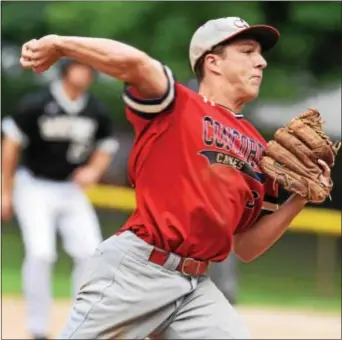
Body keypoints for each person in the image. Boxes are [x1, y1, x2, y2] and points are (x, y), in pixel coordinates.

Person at [19, 16, 332, 339]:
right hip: (137, 270)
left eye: (260, 54)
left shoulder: (259, 149)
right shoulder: (176, 104)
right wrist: (61, 44)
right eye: (247, 51)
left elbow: (246, 247)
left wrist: (301, 199)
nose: (261, 62)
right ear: (213, 62)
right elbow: (136, 63)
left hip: (195, 288)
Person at [1, 58, 119, 340]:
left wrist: (93, 170)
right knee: (41, 253)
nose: (87, 74)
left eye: (90, 69)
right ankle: (38, 327)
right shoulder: (37, 103)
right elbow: (11, 145)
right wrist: (4, 191)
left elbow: (106, 147)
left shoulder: (95, 110)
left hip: (70, 189)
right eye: (81, 68)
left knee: (91, 254)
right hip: (34, 186)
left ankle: (82, 324)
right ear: (66, 72)